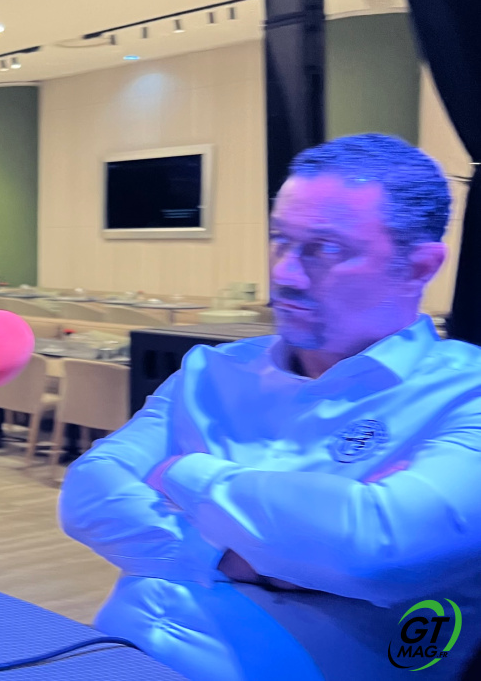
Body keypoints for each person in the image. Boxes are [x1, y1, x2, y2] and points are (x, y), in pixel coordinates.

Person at [60, 133, 481, 680]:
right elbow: (89, 492)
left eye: (325, 249)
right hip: (109, 655)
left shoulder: (464, 392)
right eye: (280, 239)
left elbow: (379, 551)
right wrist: (236, 556)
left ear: (419, 267)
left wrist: (183, 474)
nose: (283, 274)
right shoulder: (213, 370)